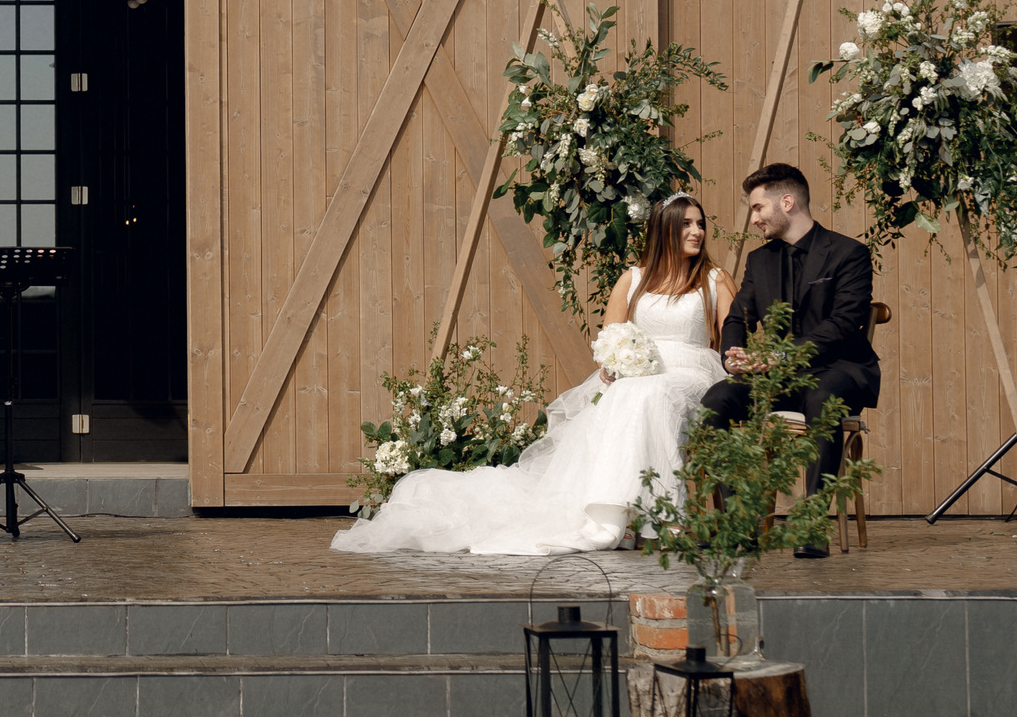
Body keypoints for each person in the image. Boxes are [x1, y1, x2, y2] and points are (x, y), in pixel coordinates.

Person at [332, 193, 735, 558]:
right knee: (629, 396)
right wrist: (613, 366)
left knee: (651, 395)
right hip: (641, 378)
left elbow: (733, 339)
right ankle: (626, 515)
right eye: (687, 224)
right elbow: (613, 339)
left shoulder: (713, 280)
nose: (697, 231)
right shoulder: (632, 280)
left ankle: (664, 518)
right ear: (665, 230)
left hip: (690, 373)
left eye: (700, 224)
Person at [698, 162, 880, 557]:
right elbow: (737, 316)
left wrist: (778, 355)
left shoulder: (849, 253)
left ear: (788, 201)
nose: (755, 217)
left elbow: (843, 325)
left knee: (821, 399)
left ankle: (812, 525)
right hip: (777, 379)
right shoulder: (759, 260)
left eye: (759, 207)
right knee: (715, 400)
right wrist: (735, 358)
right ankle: (736, 524)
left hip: (839, 369)